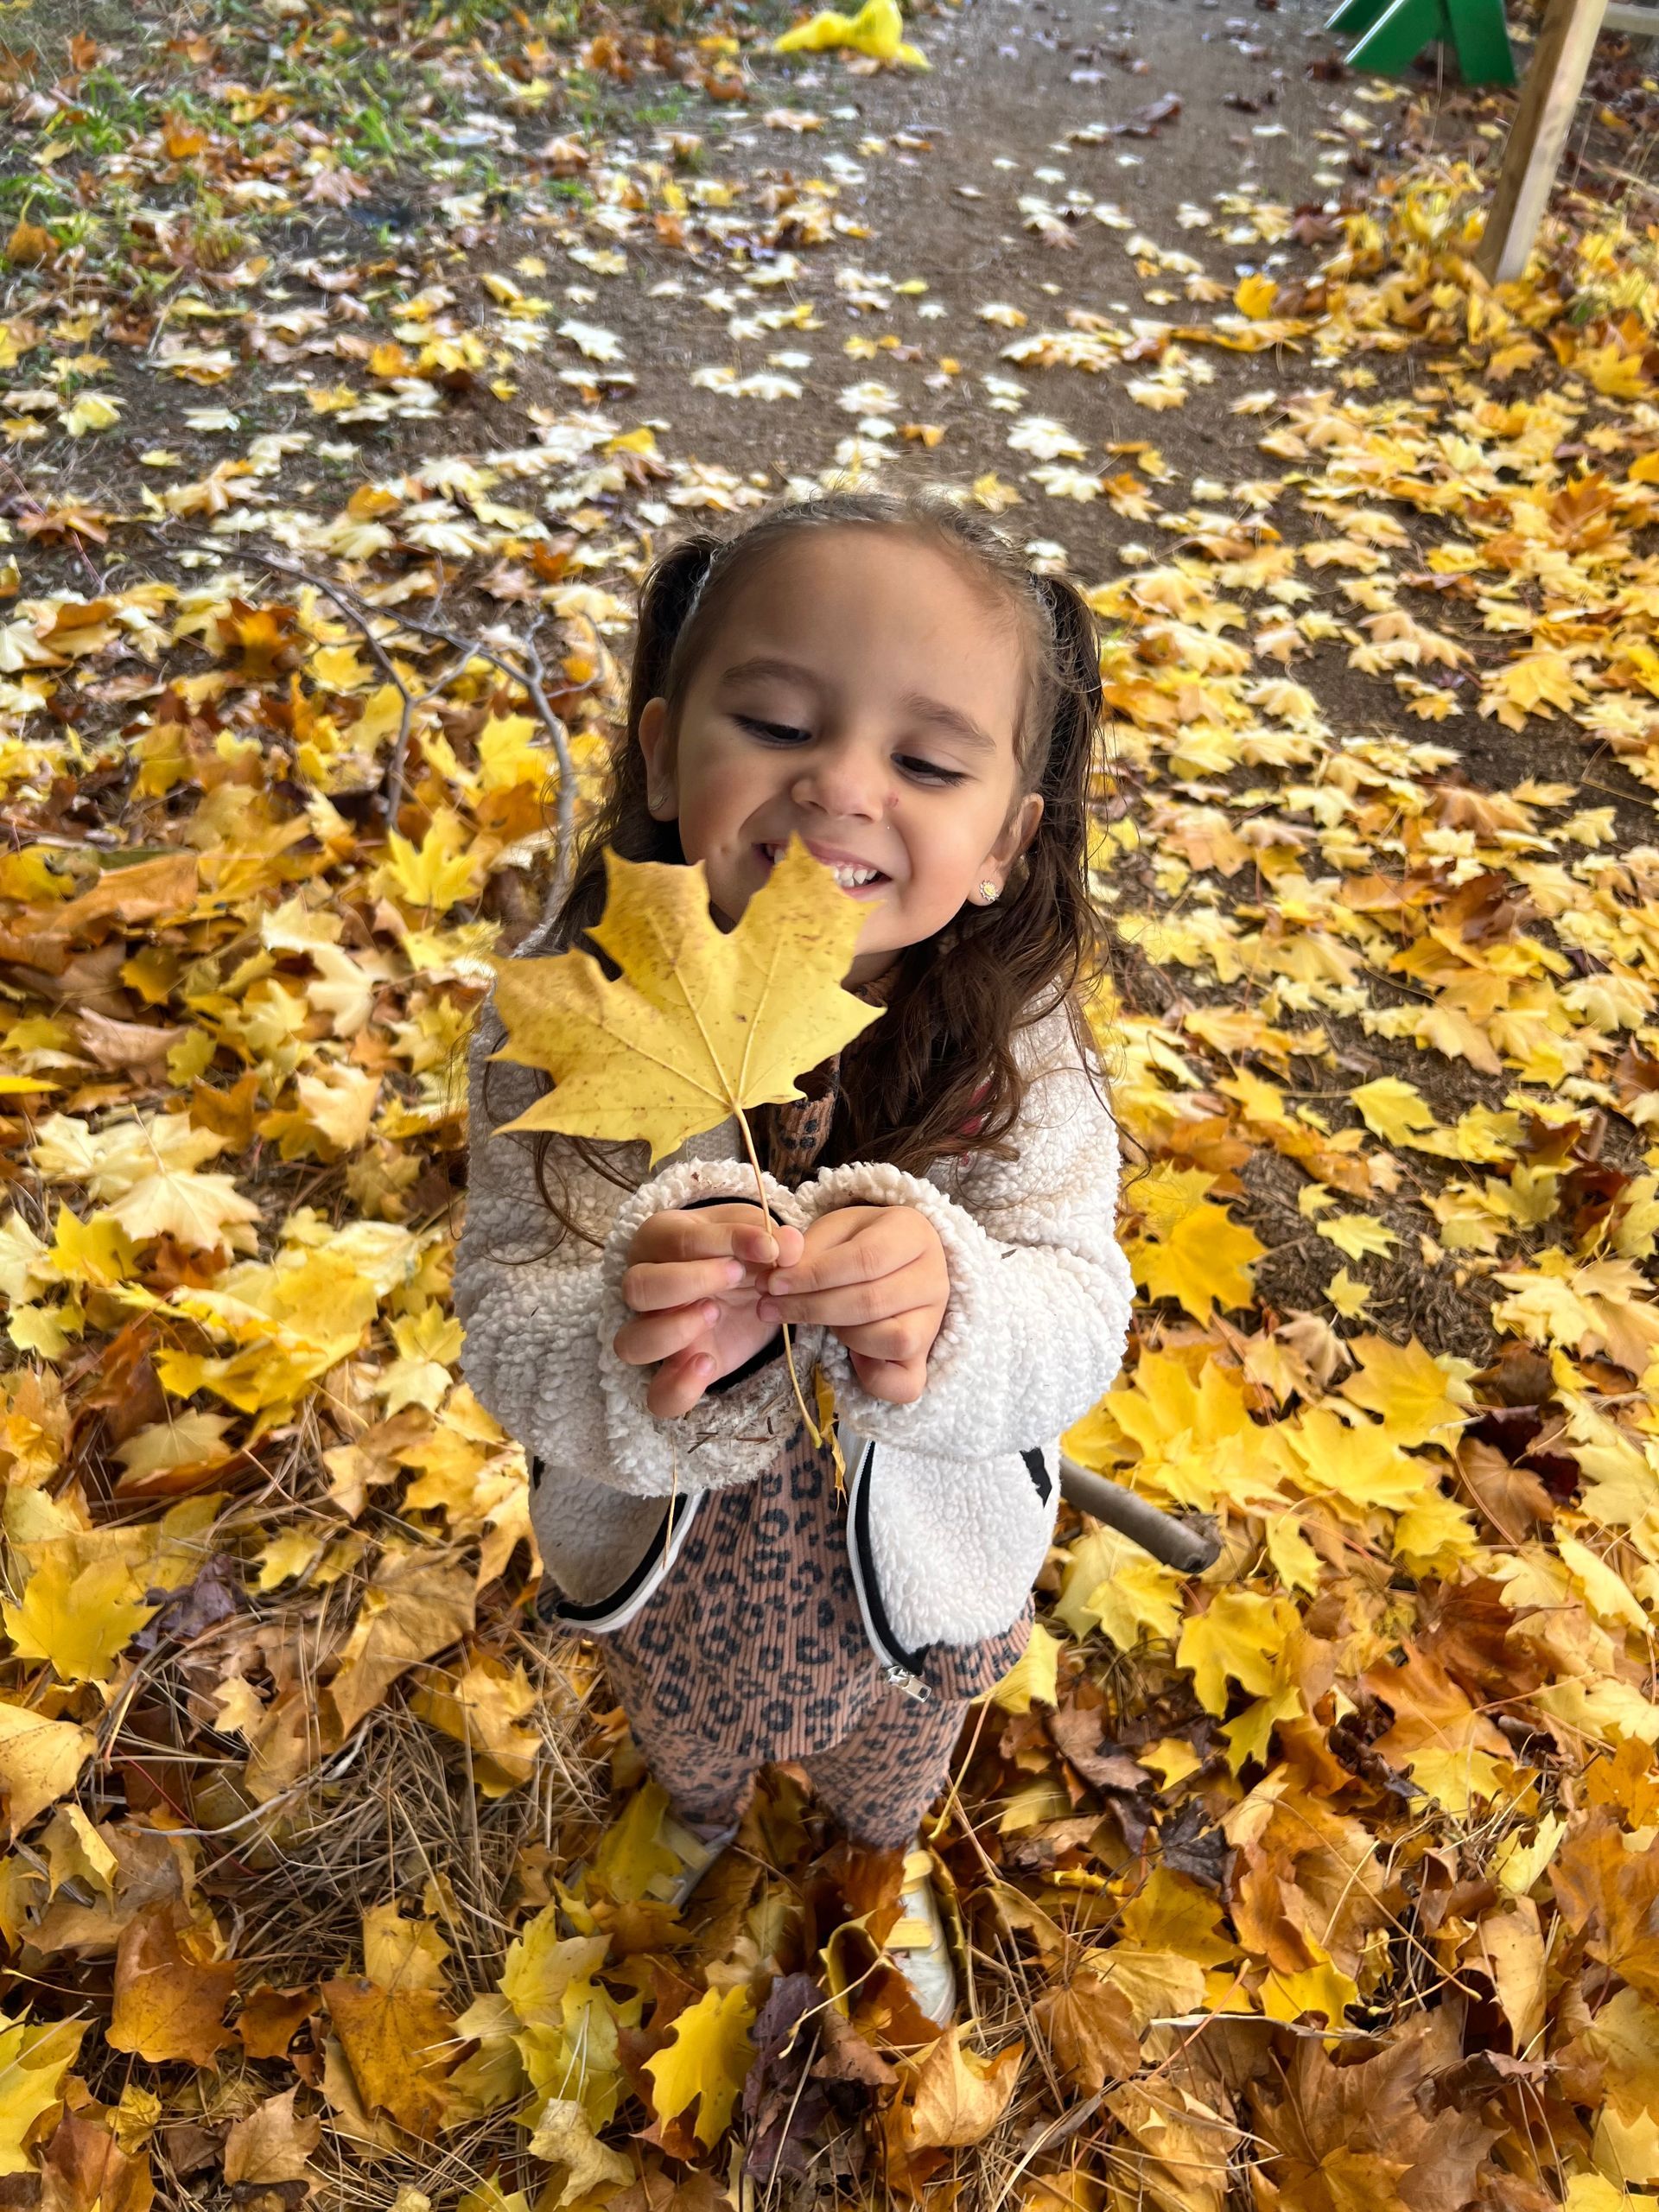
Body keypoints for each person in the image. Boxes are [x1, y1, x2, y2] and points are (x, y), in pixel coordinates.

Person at [456, 486, 1135, 2024]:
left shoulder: (1018, 1060)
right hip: (664, 1557)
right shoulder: (562, 1021)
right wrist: (631, 1331)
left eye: (926, 761)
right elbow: (501, 1311)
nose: (839, 788)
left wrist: (955, 1311)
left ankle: (875, 1857)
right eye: (772, 721)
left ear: (1005, 844)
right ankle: (694, 1812)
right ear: (657, 748)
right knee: (685, 1724)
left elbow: (1081, 1313)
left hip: (921, 1573)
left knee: (891, 1752)